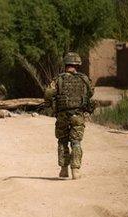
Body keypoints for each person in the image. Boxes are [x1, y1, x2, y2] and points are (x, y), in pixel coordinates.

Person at [44, 52, 95, 180]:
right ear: (77, 64)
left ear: (66, 64)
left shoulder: (58, 79)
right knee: (76, 142)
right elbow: (91, 92)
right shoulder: (84, 79)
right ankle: (75, 171)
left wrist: (50, 104)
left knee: (62, 141)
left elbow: (48, 93)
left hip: (62, 115)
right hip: (78, 115)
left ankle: (63, 170)